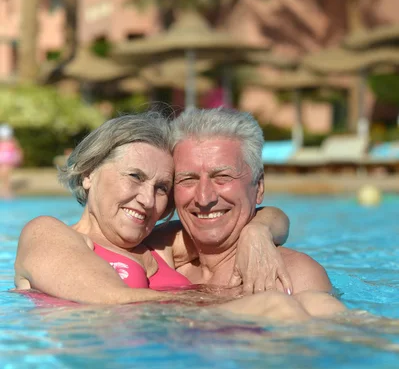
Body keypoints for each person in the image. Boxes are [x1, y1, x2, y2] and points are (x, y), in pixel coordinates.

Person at [14, 110, 345, 320]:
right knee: (281, 307)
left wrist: (257, 231)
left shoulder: (161, 247)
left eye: (162, 187)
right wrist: (235, 309)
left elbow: (232, 221)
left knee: (322, 305)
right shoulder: (47, 233)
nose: (147, 199)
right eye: (135, 176)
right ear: (88, 173)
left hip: (176, 367)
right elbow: (107, 299)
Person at [0, 123, 23, 198]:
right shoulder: (1, 142)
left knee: (6, 176)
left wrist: (19, 158)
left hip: (8, 161)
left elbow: (18, 150)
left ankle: (7, 191)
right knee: (3, 176)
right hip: (2, 161)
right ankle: (4, 191)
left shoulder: (13, 141)